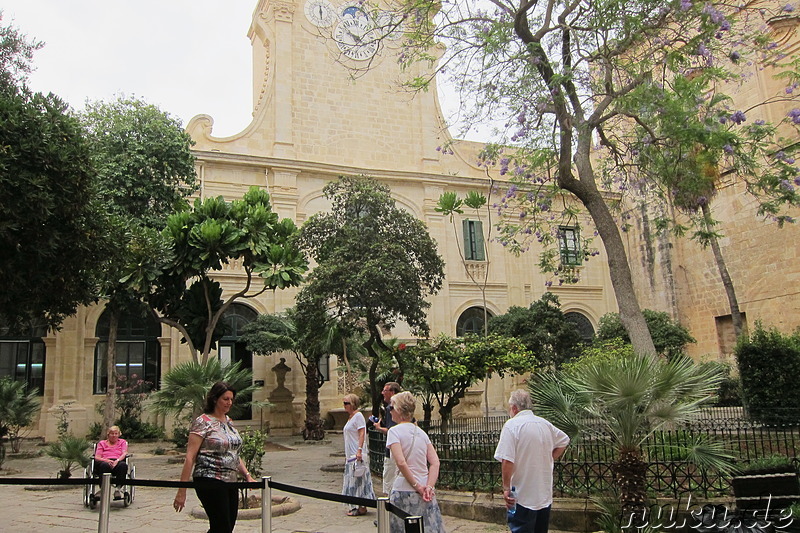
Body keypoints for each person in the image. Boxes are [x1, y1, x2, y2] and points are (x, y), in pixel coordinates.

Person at [173, 382, 255, 533]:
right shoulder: (203, 422)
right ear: (215, 399)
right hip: (209, 478)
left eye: (231, 399)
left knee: (227, 526)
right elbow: (190, 457)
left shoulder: (229, 422)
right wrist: (181, 491)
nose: (229, 402)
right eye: (225, 399)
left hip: (230, 480)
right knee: (221, 526)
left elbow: (234, 454)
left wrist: (247, 475)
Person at [494, 389, 570, 533]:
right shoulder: (544, 424)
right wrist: (548, 458)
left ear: (515, 408)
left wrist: (505, 488)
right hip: (543, 494)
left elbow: (507, 460)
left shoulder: (512, 425)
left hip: (522, 494)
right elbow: (564, 440)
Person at [386, 391, 446, 533]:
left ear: (399, 410)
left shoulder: (394, 432)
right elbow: (435, 462)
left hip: (404, 488)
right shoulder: (421, 433)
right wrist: (429, 487)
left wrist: (416, 486)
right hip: (425, 489)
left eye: (391, 408)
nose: (390, 412)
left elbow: (401, 462)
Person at [341, 393, 376, 516]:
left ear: (353, 404)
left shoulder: (358, 416)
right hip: (350, 453)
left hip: (357, 453)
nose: (344, 405)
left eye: (347, 403)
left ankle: (360, 506)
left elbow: (362, 433)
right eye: (344, 403)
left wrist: (359, 450)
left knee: (359, 479)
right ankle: (358, 505)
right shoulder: (350, 418)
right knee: (353, 479)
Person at [376, 381, 401, 495]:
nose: (382, 393)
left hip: (391, 450)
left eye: (385, 391)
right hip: (401, 449)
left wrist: (379, 428)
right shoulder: (402, 408)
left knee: (389, 482)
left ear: (392, 392)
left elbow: (392, 431)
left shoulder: (391, 408)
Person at [94, 425, 128, 500]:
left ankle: (118, 489)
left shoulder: (122, 442)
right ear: (108, 434)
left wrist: (117, 461)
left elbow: (124, 453)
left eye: (116, 433)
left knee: (123, 465)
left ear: (119, 434)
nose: (114, 435)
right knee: (104, 465)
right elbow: (97, 457)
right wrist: (107, 460)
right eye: (112, 433)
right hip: (104, 461)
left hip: (117, 461)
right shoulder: (102, 443)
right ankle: (102, 489)